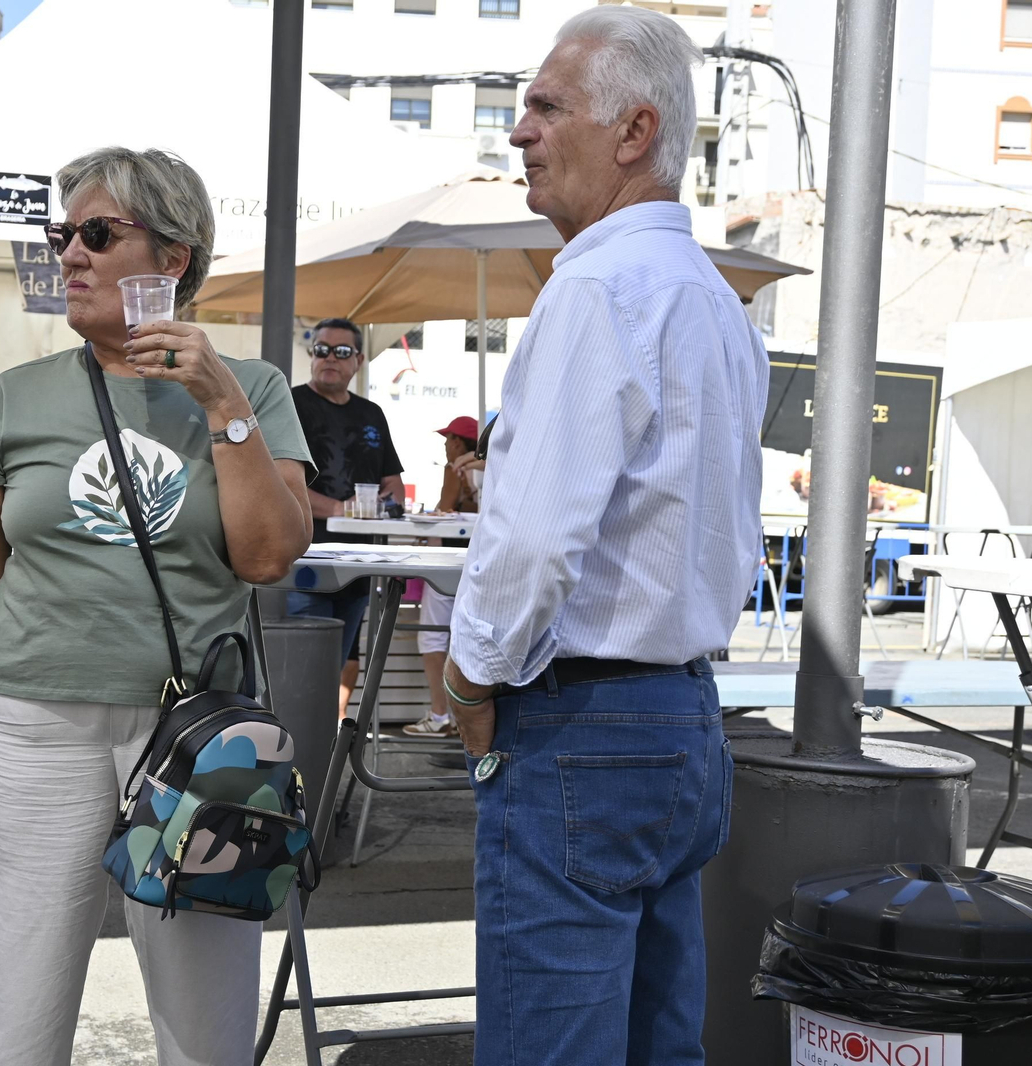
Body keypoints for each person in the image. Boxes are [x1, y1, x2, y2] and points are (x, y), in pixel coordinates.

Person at [0, 146, 313, 1066]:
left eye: (96, 233)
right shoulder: (16, 399)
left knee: (206, 1026)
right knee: (14, 1014)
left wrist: (220, 402)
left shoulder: (250, 388)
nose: (70, 256)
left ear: (172, 259)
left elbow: (266, 555)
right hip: (32, 727)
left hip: (195, 742)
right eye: (64, 235)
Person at [442, 8, 768, 1065]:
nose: (520, 132)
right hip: (681, 716)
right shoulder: (717, 304)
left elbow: (534, 542)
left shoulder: (595, 285)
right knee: (655, 1043)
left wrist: (467, 680)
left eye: (544, 106)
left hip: (583, 719)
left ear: (633, 133)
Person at [288, 317, 405, 715]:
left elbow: (393, 482)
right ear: (311, 355)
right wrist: (339, 509)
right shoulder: (290, 404)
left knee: (336, 662)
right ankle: (297, 751)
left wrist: (387, 505)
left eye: (341, 352)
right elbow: (278, 483)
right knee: (300, 670)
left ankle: (322, 745)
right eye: (321, 350)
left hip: (361, 562)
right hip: (305, 559)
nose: (329, 359)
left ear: (358, 359)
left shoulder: (371, 414)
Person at [405, 415, 481, 739]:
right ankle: (469, 719)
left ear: (458, 442)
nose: (445, 445)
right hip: (481, 564)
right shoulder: (497, 467)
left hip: (449, 564)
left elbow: (443, 510)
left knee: (433, 638)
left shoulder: (456, 470)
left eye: (448, 439)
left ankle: (439, 715)